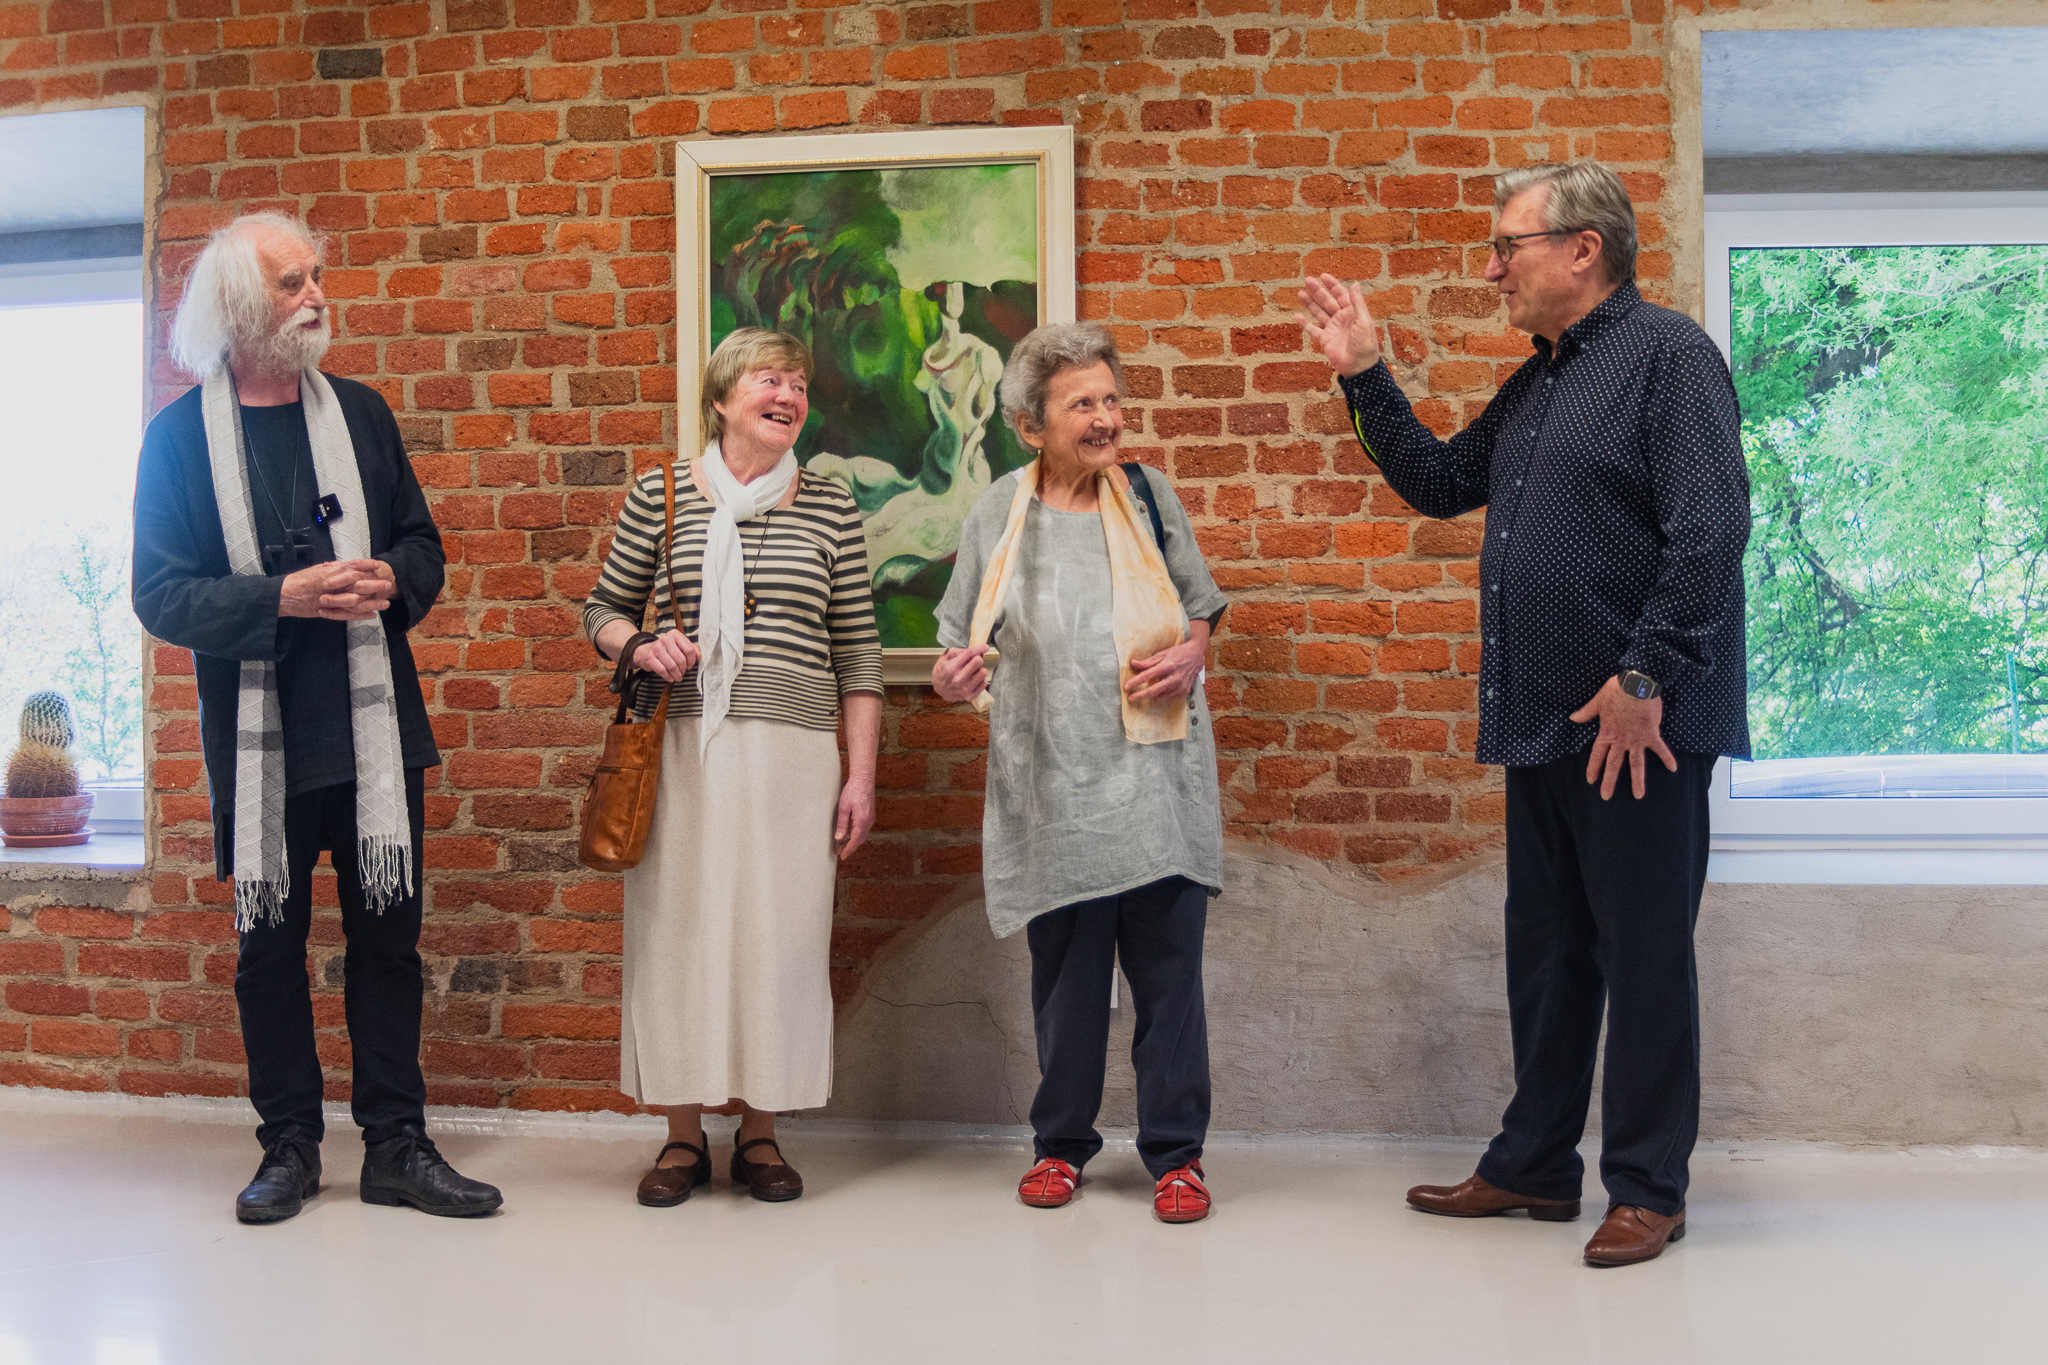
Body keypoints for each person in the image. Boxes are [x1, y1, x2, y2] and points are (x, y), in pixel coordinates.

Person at [1299, 162, 1751, 1267]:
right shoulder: (1542, 378)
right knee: (1548, 956)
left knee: (1643, 956)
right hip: (1546, 720)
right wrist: (1364, 373)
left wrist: (1643, 678)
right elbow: (1440, 482)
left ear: (1583, 249)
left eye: (1510, 245)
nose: (1494, 267)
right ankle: (1535, 1164)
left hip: (1637, 728)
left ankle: (1647, 1188)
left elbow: (1712, 529)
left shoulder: (1669, 356)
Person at [133, 212, 501, 1224]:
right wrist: (282, 598)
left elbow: (423, 546)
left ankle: (396, 1146)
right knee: (269, 952)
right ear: (237, 306)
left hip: (375, 732)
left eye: (316, 276)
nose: (316, 297)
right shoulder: (178, 439)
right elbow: (159, 595)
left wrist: (395, 578)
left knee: (389, 946)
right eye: (291, 283)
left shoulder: (362, 414)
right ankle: (289, 1146)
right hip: (261, 742)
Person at [930, 323, 1229, 1224]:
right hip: (1052, 784)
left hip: (1156, 779)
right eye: (1082, 404)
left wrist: (1193, 655)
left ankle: (1177, 1156)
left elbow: (1200, 609)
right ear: (1031, 425)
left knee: (1170, 982)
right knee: (1067, 986)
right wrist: (953, 679)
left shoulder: (1148, 494)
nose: (1106, 418)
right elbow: (956, 646)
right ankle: (1061, 1145)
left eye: (1110, 399)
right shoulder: (999, 511)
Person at [583, 327, 883, 1206]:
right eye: (768, 380)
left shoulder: (830, 507)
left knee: (781, 939)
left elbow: (858, 656)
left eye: (798, 383)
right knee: (677, 932)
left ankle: (761, 1132)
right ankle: (682, 1136)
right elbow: (602, 609)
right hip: (682, 749)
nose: (788, 395)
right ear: (721, 399)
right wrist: (641, 644)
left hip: (795, 757)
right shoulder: (662, 493)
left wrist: (860, 775)